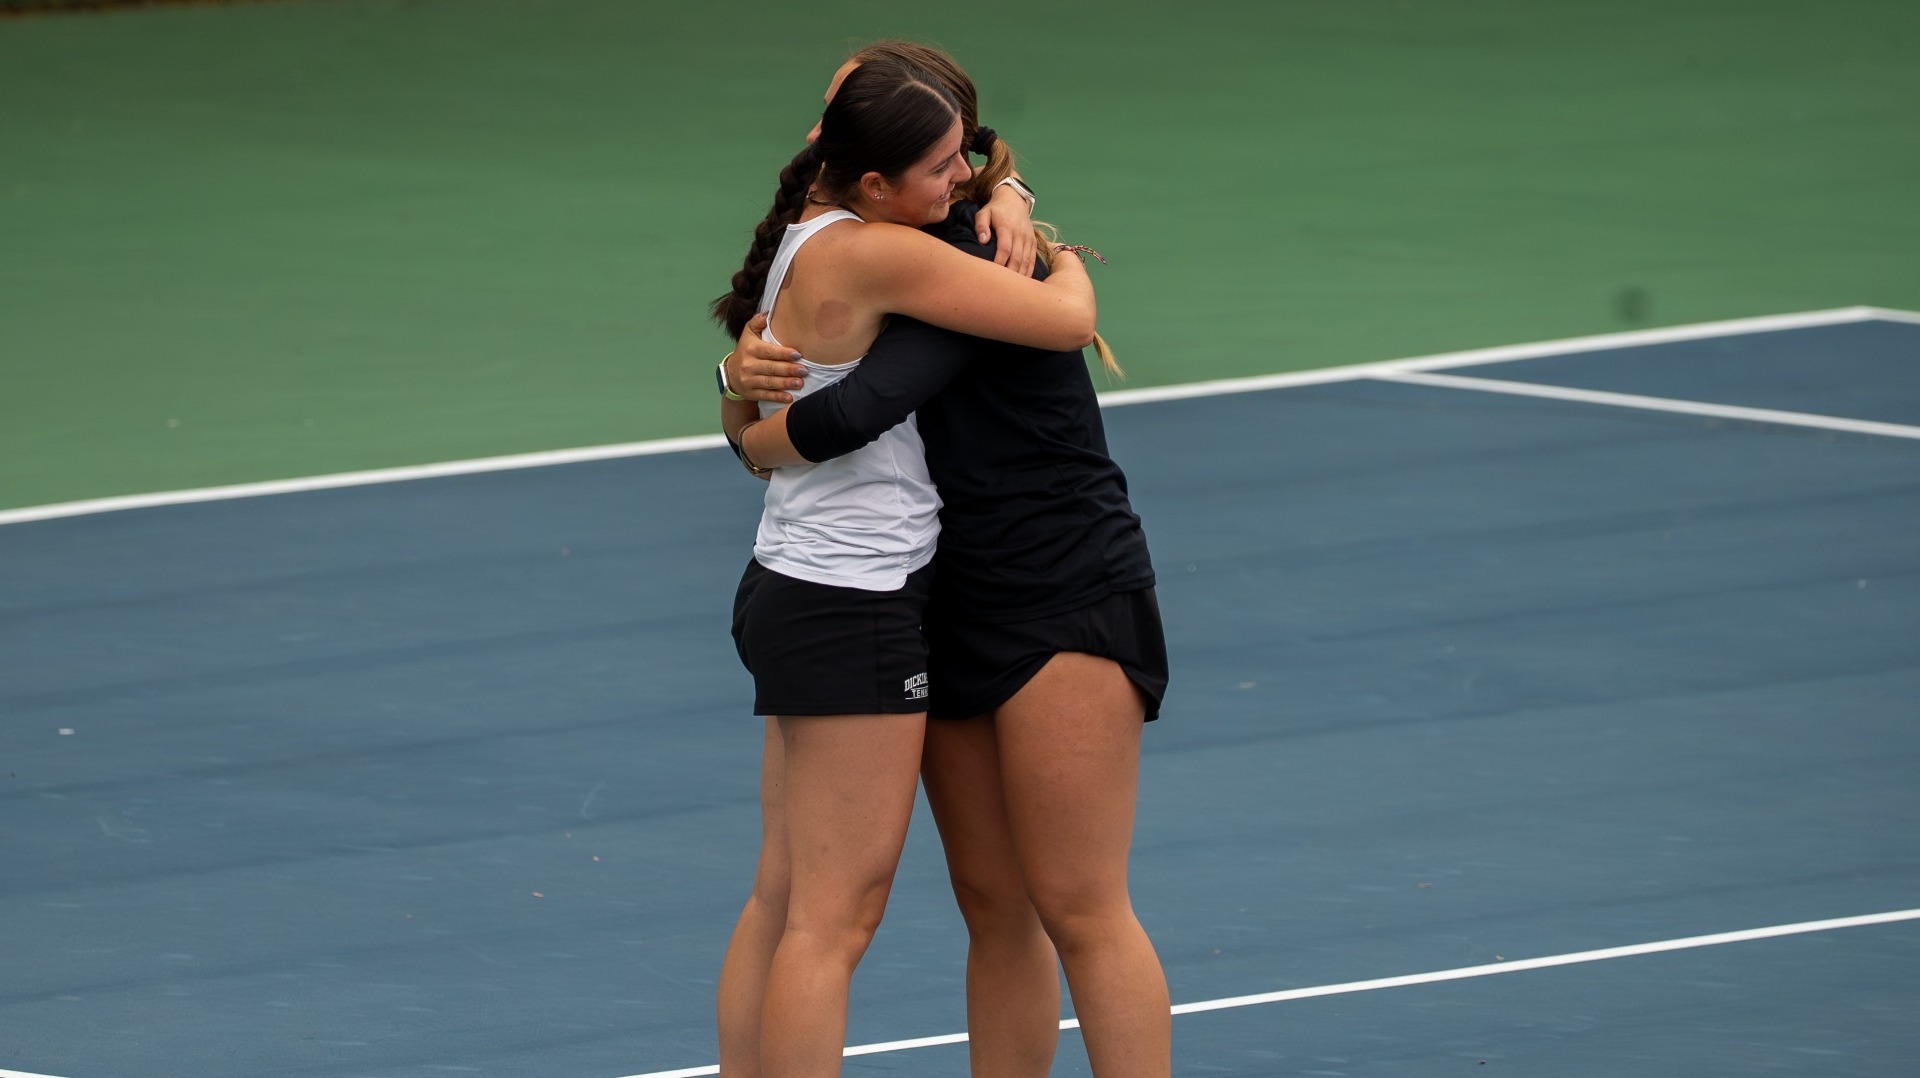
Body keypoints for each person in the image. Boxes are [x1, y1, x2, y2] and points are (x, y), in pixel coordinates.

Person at [718, 43, 1171, 1078]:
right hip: (939, 597)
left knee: (1080, 905)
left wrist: (1035, 227)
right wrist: (734, 387)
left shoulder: (963, 242)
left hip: (1063, 584)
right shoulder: (882, 246)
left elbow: (865, 405)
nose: (816, 134)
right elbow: (823, 388)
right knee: (994, 903)